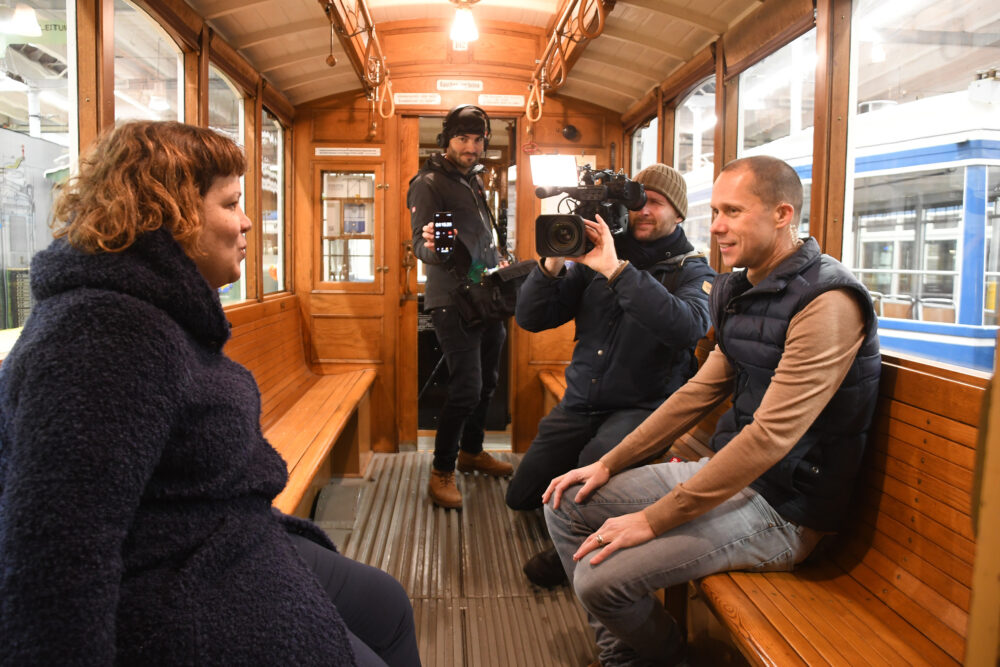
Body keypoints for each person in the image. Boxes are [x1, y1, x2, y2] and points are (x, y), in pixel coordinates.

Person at [0, 121, 420, 666]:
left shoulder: (157, 312)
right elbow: (55, 553)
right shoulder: (100, 334)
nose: (247, 222)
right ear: (169, 213)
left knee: (383, 604)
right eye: (231, 203)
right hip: (174, 588)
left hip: (224, 536)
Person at [543, 155, 881, 667]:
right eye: (715, 210)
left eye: (733, 212)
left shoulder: (828, 301)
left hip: (786, 509)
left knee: (598, 579)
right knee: (565, 499)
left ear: (782, 214)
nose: (717, 226)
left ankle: (668, 657)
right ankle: (629, 656)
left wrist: (653, 521)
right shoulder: (742, 286)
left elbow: (770, 437)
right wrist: (608, 463)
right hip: (737, 477)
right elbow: (697, 393)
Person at [506, 163, 716, 588]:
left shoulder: (693, 270)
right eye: (636, 203)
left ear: (679, 213)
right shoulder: (596, 257)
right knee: (520, 496)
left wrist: (617, 271)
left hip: (642, 407)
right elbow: (532, 317)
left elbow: (688, 325)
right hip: (582, 400)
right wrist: (550, 263)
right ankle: (567, 505)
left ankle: (577, 557)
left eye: (654, 203)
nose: (642, 211)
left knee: (588, 476)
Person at [407, 104, 513, 509]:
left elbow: (480, 239)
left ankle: (472, 451)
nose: (471, 147)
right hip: (452, 302)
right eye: (462, 138)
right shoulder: (429, 183)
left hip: (487, 297)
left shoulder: (473, 181)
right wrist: (432, 247)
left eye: (477, 140)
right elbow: (421, 244)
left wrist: (499, 257)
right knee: (466, 387)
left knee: (488, 382)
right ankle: (442, 469)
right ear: (447, 140)